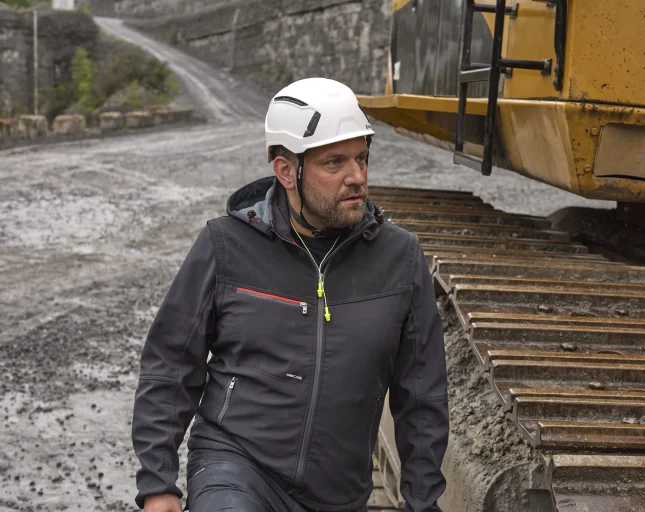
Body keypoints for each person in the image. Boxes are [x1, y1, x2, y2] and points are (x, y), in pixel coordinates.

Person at [131, 77, 449, 512]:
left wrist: (422, 501)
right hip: (237, 466)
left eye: (361, 158)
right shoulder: (226, 246)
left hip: (338, 491)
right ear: (286, 171)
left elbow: (422, 392)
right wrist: (157, 483)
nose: (356, 177)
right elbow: (170, 361)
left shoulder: (400, 258)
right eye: (334, 162)